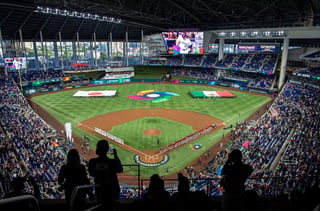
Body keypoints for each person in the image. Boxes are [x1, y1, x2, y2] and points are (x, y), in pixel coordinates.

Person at [88, 139, 123, 211]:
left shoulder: (92, 162)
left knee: (101, 207)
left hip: (100, 191)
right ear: (107, 150)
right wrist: (115, 155)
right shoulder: (112, 162)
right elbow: (120, 169)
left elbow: (91, 173)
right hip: (112, 191)